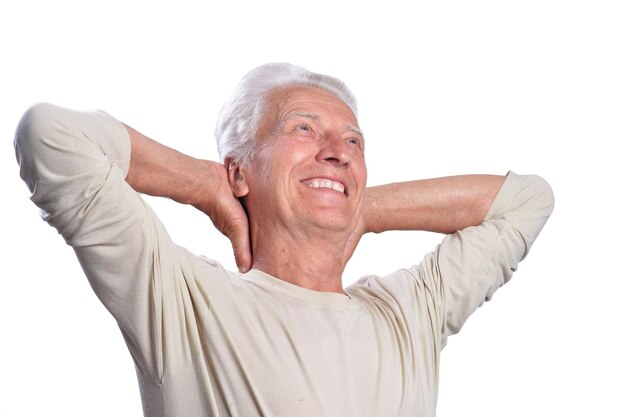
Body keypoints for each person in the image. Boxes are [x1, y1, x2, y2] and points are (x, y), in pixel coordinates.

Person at [14, 63, 554, 417]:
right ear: (241, 171)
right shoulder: (183, 303)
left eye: (352, 141)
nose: (338, 150)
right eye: (303, 128)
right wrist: (203, 184)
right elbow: (52, 136)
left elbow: (528, 200)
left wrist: (360, 207)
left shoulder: (407, 313)